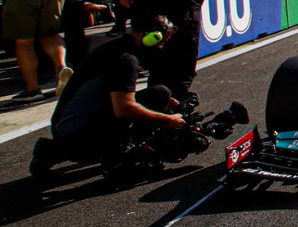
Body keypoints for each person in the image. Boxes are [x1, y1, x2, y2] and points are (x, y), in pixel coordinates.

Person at [29, 15, 190, 181]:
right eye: (161, 41)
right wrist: (166, 119)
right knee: (145, 108)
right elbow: (124, 109)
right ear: (150, 36)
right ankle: (63, 151)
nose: (162, 46)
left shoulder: (119, 48)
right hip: (74, 133)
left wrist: (158, 105)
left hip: (73, 123)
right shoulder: (125, 59)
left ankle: (115, 150)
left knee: (159, 94)